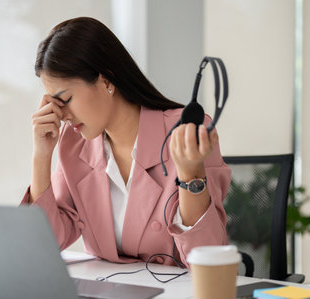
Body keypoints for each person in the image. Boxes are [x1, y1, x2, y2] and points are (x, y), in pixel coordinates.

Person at [21, 16, 231, 268]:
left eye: (64, 99)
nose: (61, 115)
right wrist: (41, 156)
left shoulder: (186, 132)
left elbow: (207, 259)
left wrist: (190, 174)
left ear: (106, 80)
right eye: (53, 103)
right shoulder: (74, 144)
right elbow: (43, 243)